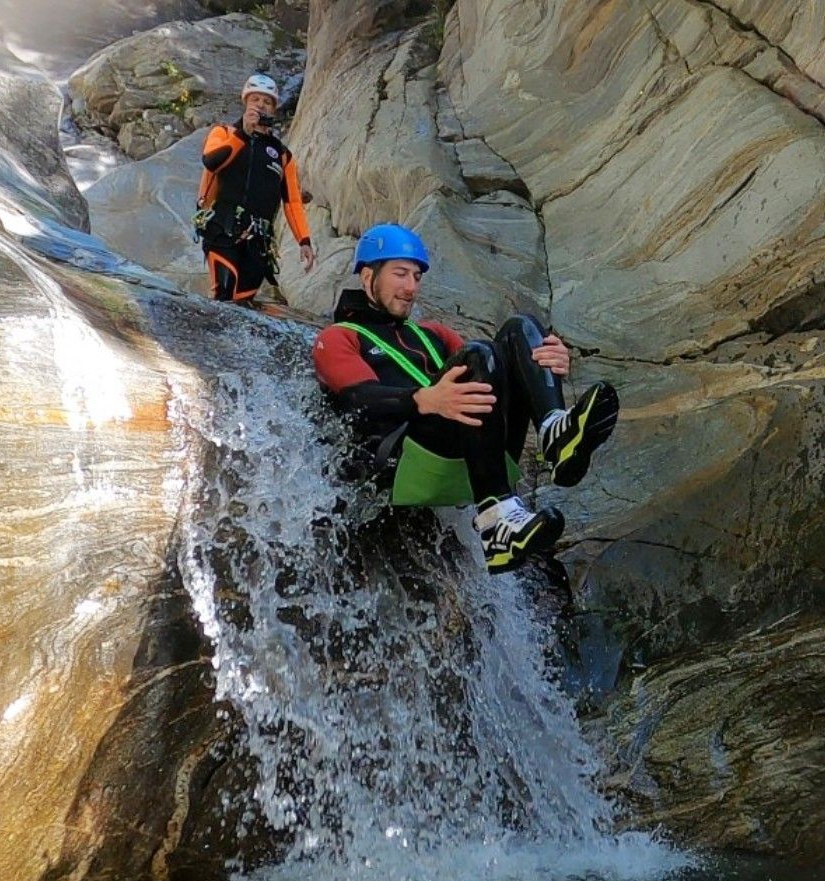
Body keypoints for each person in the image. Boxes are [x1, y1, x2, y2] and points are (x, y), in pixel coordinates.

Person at [312, 223, 620, 573]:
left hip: (470, 448)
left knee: (521, 329)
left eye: (416, 276)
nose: (411, 287)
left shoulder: (434, 334)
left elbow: (495, 371)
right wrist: (425, 401)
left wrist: (545, 364)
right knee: (477, 353)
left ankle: (555, 432)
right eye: (400, 274)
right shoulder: (337, 337)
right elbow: (359, 401)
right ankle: (495, 519)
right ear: (368, 277)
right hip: (402, 462)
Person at [194, 73, 316, 304]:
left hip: (258, 242)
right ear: (246, 103)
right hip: (223, 228)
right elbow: (212, 162)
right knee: (224, 295)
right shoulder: (224, 133)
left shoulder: (282, 155)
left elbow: (292, 201)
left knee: (244, 303)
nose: (261, 105)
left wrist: (304, 241)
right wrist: (243, 134)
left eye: (267, 101)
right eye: (255, 100)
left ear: (273, 109)